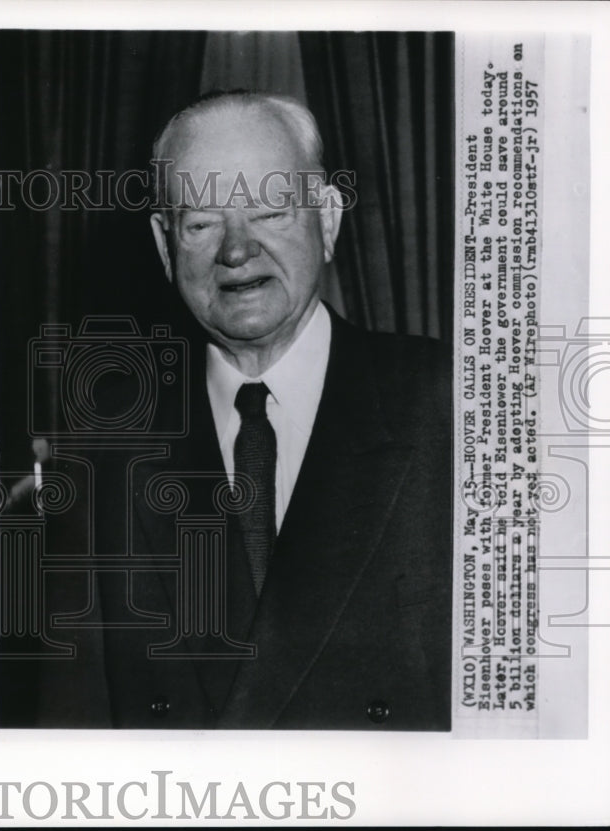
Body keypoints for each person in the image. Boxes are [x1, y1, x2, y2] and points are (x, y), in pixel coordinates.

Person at [37, 92, 451, 730]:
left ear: (329, 219)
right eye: (201, 222)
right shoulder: (104, 448)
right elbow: (73, 722)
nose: (236, 250)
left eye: (268, 210)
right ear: (164, 244)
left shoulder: (450, 404)